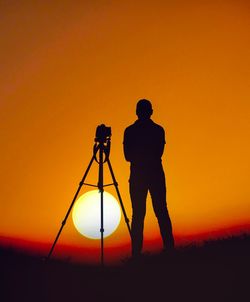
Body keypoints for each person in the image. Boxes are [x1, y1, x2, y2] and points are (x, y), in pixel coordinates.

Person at [123, 99, 174, 257]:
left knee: (144, 213)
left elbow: (128, 156)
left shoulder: (131, 131)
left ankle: (138, 254)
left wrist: (140, 156)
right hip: (151, 174)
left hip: (143, 175)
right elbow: (154, 153)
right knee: (153, 212)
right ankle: (166, 250)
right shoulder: (157, 130)